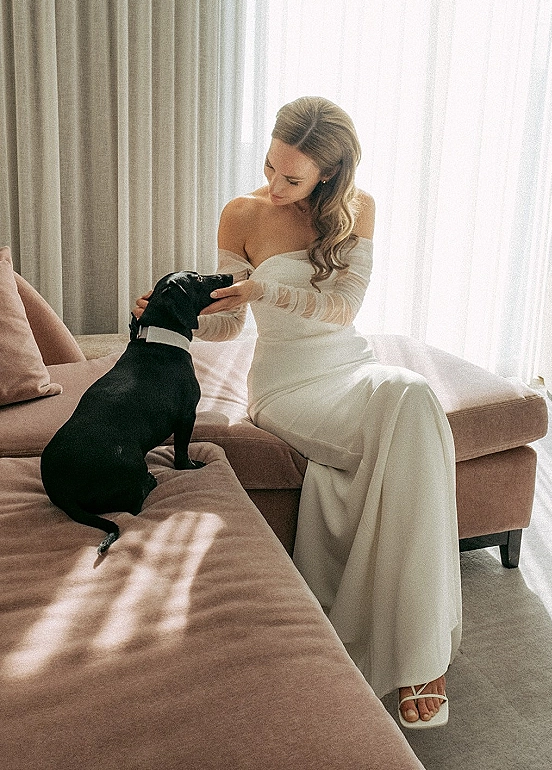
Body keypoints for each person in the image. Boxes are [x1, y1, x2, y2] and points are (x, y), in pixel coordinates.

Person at [134, 96, 462, 727]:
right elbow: (231, 323)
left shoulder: (357, 211)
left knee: (412, 396)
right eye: (271, 167)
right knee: (412, 413)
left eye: (294, 178)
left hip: (349, 365)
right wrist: (176, 312)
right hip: (287, 387)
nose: (275, 186)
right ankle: (421, 659)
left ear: (329, 177)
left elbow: (343, 311)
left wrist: (265, 288)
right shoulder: (242, 213)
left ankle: (418, 653)